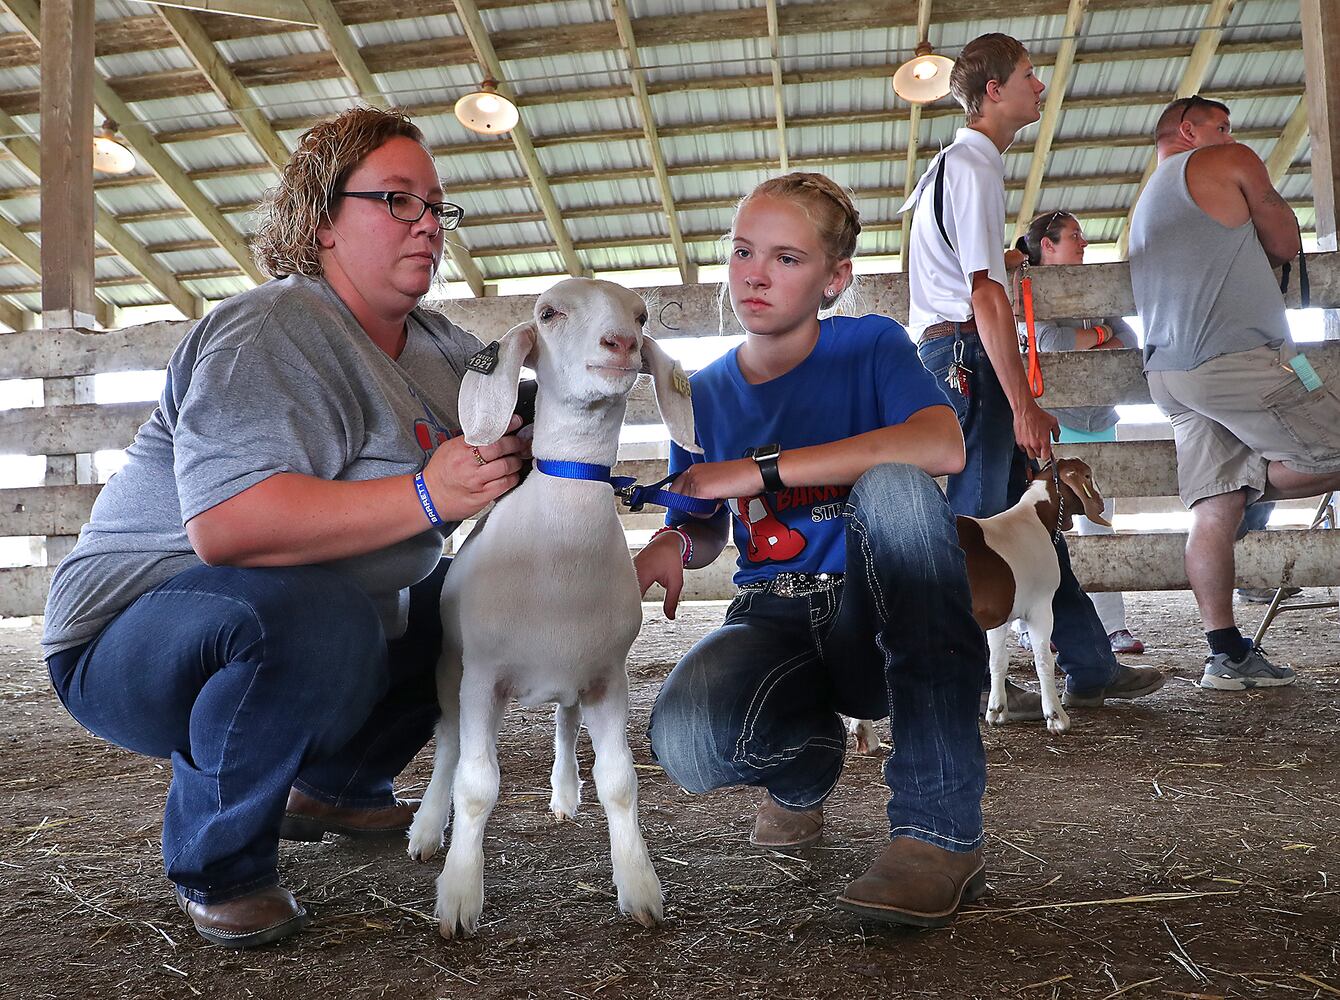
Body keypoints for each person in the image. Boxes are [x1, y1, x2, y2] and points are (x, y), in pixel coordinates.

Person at [41, 108, 528, 948]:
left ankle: (339, 783)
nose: (427, 226)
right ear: (321, 221)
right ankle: (220, 866)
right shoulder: (271, 331)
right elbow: (229, 530)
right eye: (397, 201)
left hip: (303, 619)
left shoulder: (444, 351)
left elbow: (535, 415)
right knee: (315, 612)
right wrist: (425, 495)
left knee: (479, 594)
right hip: (132, 637)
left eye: (437, 206)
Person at [635, 172, 989, 929]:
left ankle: (937, 832)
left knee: (897, 488)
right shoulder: (703, 394)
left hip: (878, 604)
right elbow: (701, 521)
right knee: (688, 741)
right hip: (773, 611)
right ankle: (807, 767)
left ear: (835, 280)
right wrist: (672, 537)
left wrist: (766, 468)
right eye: (742, 251)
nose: (755, 274)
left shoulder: (868, 344)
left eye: (787, 259)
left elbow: (942, 443)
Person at [901, 32, 1164, 714]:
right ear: (994, 91)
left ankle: (1088, 661)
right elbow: (982, 293)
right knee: (979, 528)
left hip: (953, 352)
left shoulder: (952, 165)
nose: (1038, 86)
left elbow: (978, 274)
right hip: (967, 357)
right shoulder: (976, 166)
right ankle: (963, 683)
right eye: (1027, 75)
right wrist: (1021, 401)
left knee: (1029, 522)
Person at [1129, 95, 1340, 690]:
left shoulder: (1143, 203)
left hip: (1170, 375)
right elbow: (1285, 241)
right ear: (1190, 130)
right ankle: (1262, 479)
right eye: (1221, 127)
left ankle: (1224, 652)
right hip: (1237, 358)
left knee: (1215, 506)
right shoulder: (1229, 160)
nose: (1230, 135)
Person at [1013, 210, 1146, 655]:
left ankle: (1113, 627)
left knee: (1099, 523)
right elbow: (1050, 344)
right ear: (1047, 245)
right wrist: (1101, 332)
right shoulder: (1030, 289)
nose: (1083, 243)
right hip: (1054, 424)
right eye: (1074, 236)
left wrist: (1099, 332)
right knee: (1045, 529)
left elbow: (1127, 339)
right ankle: (1040, 627)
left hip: (1098, 419)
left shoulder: (1099, 287)